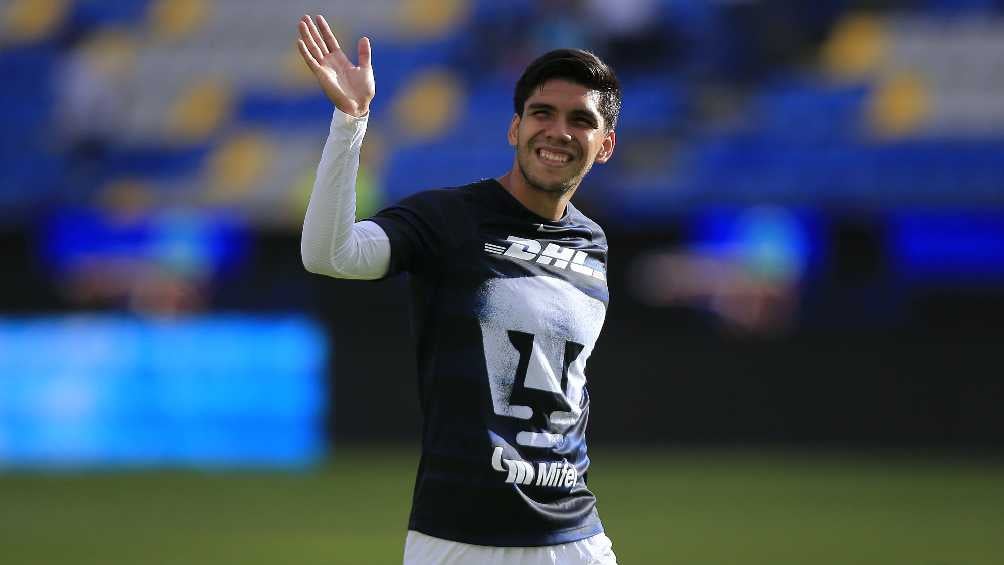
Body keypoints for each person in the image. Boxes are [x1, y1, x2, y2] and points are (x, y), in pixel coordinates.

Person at [297, 14, 620, 565]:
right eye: (542, 113)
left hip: (576, 541)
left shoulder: (592, 242)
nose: (558, 131)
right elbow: (331, 255)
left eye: (579, 120)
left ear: (604, 144)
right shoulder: (449, 217)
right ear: (514, 128)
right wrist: (351, 120)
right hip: (459, 541)